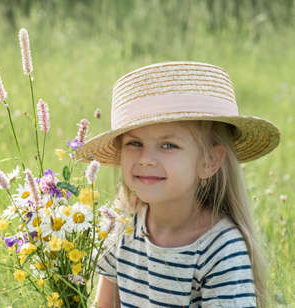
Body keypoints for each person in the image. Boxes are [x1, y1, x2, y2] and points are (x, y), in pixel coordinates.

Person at [76, 62, 280, 307]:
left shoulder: (220, 249)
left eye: (168, 145)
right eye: (134, 143)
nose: (146, 160)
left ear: (209, 161)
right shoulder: (121, 227)